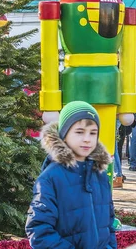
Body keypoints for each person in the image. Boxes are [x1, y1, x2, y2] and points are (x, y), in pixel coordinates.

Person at [26, 101, 117, 249]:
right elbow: (39, 230)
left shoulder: (100, 174)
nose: (87, 139)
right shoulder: (51, 178)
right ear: (64, 134)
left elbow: (109, 224)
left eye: (93, 133)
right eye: (79, 132)